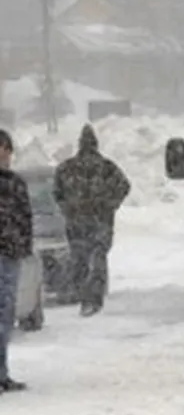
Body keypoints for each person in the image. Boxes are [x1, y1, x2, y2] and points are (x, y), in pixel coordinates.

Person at [53, 124, 130, 316]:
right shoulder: (107, 167)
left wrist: (67, 208)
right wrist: (110, 205)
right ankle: (93, 298)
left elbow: (56, 192)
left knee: (80, 259)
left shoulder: (66, 168)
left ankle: (83, 295)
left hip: (77, 223)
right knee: (97, 258)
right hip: (100, 222)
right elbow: (124, 186)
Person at [0, 129, 30, 393]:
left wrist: (24, 246)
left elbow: (25, 217)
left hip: (9, 255)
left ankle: (2, 373)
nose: (4, 154)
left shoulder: (15, 182)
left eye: (6, 149)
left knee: (5, 316)